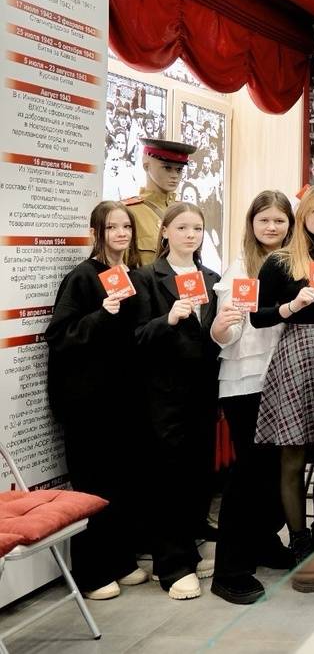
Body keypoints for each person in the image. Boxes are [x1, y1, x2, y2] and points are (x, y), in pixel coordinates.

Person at [46, 202, 148, 601]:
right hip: (87, 404)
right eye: (112, 227)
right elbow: (60, 335)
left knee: (123, 482)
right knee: (92, 484)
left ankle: (120, 560)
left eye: (126, 226)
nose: (121, 233)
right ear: (96, 232)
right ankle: (90, 572)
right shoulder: (82, 277)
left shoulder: (133, 276)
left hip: (123, 400)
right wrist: (101, 314)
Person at [251, 187, 314, 576]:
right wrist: (291, 306)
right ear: (302, 216)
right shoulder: (278, 262)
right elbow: (257, 316)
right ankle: (298, 540)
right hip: (296, 353)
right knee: (291, 451)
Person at [130, 202, 222, 600]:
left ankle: (187, 551)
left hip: (203, 391)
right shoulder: (146, 277)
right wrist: (167, 319)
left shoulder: (212, 278)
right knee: (168, 478)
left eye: (197, 228)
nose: (190, 235)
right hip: (163, 395)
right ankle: (171, 565)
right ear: (165, 231)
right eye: (182, 227)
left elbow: (214, 338)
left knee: (197, 476)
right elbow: (135, 337)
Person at [206, 192, 294, 604]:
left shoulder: (294, 264)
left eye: (279, 220)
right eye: (265, 220)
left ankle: (263, 542)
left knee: (275, 471)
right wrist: (221, 327)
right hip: (246, 383)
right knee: (248, 474)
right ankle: (229, 570)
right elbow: (229, 333)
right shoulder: (242, 269)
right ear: (252, 224)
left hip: (283, 380)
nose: (272, 227)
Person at [124, 138, 197, 265]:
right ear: (146, 166)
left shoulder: (185, 212)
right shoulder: (128, 212)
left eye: (179, 170)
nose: (175, 175)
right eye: (167, 168)